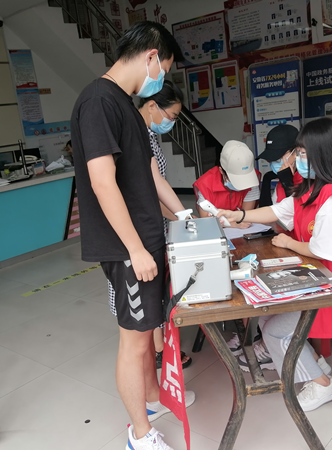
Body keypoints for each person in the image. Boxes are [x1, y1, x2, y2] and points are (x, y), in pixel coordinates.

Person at [70, 21, 193, 450]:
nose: (160, 78)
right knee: (134, 340)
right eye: (164, 69)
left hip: (147, 238)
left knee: (147, 333)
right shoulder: (98, 102)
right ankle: (140, 435)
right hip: (129, 248)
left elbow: (151, 176)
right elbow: (102, 182)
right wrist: (135, 248)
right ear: (151, 56)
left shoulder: (125, 104)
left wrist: (186, 215)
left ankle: (154, 400)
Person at [218, 117, 332, 411]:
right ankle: (315, 364)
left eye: (304, 153)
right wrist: (239, 215)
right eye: (298, 152)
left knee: (274, 330)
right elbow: (277, 210)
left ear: (324, 155)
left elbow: (321, 249)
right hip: (316, 279)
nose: (299, 159)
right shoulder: (312, 189)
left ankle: (323, 385)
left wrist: (288, 243)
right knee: (269, 319)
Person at [106, 79, 192, 371]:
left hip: (152, 226)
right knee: (138, 312)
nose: (172, 122)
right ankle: (156, 353)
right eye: (172, 116)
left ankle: (157, 351)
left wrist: (182, 215)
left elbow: (157, 184)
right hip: (136, 234)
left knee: (152, 297)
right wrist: (180, 216)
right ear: (152, 106)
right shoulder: (132, 135)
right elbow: (149, 190)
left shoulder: (148, 136)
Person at [193, 140, 260, 228]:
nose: (241, 184)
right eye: (235, 179)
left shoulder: (252, 179)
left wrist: (224, 222)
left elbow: (245, 217)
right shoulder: (205, 184)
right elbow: (206, 220)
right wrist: (233, 224)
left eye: (244, 178)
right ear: (221, 171)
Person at [257, 124, 300, 207]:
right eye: (271, 159)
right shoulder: (280, 184)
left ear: (296, 152)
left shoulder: (309, 181)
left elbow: (302, 211)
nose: (274, 162)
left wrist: (288, 185)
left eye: (277, 158)